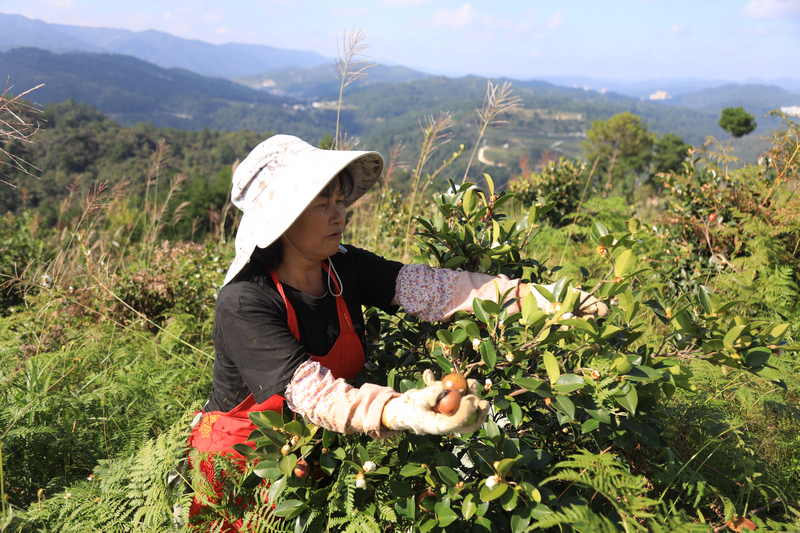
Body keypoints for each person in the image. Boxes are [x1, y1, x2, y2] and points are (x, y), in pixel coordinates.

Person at [186, 135, 607, 527]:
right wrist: (404, 411)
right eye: (322, 204)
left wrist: (546, 298)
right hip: (235, 466)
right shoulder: (244, 303)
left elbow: (442, 291)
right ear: (283, 219)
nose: (339, 213)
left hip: (304, 453)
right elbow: (317, 395)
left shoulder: (344, 267)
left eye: (339, 200)